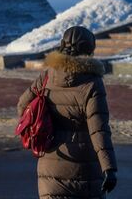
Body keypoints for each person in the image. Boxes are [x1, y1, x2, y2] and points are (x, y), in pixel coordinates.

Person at [18, 25, 118, 198]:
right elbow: (99, 131)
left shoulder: (47, 75)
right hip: (83, 169)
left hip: (50, 164)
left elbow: (23, 106)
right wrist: (109, 168)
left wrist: (47, 124)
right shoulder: (92, 83)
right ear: (89, 49)